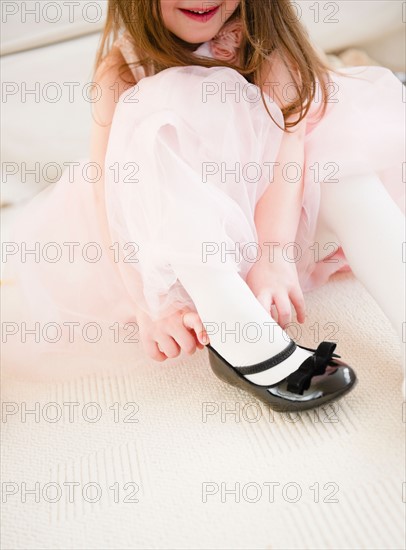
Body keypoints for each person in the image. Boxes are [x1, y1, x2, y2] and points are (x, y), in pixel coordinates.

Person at [7, 0, 405, 409]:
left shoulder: (263, 41)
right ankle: (239, 333)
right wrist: (149, 306)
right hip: (185, 250)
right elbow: (107, 189)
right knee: (154, 120)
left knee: (343, 166)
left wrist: (272, 256)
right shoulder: (123, 68)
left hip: (280, 226)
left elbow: (292, 146)